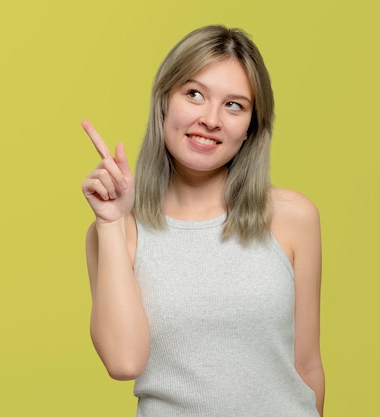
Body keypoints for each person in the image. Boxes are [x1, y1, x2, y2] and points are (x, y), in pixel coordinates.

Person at [81, 25, 324, 417]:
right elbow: (123, 363)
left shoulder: (293, 217)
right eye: (194, 94)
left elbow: (307, 365)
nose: (210, 119)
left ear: (250, 129)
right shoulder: (117, 230)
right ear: (164, 103)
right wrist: (110, 222)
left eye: (234, 105)